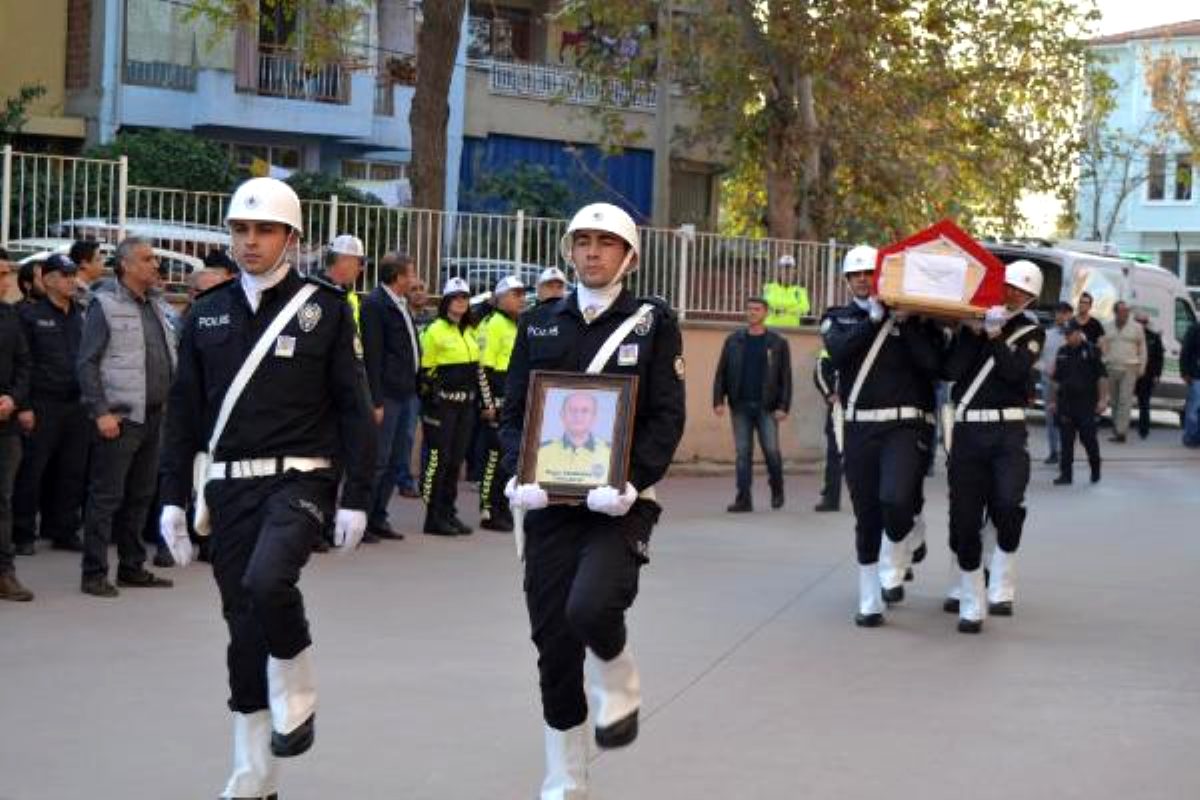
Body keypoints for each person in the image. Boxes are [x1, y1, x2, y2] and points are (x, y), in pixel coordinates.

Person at [158, 177, 374, 799]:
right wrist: (171, 497)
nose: (250, 241)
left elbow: (354, 409)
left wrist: (357, 497)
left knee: (268, 580)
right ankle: (254, 775)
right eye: (241, 230)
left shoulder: (324, 309)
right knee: (243, 628)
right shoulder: (206, 312)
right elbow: (183, 413)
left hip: (300, 478)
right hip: (228, 488)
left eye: (265, 231)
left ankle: (298, 683)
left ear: (291, 238)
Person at [501, 202, 685, 800]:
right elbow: (514, 414)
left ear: (629, 256)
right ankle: (566, 778)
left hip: (619, 506)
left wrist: (632, 481)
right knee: (553, 645)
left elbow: (667, 416)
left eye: (605, 243)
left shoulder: (652, 324)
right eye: (582, 241)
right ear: (569, 250)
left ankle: (617, 673)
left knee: (591, 608)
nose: (592, 252)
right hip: (548, 507)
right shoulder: (538, 323)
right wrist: (519, 473)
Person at [821, 245, 943, 627]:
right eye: (855, 274)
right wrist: (873, 320)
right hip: (860, 426)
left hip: (904, 426)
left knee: (895, 498)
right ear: (846, 280)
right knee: (867, 514)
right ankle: (869, 598)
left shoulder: (917, 320)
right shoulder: (837, 318)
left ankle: (903, 540)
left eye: (869, 273)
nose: (862, 279)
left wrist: (906, 322)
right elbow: (838, 352)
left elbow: (934, 366)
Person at [942, 260, 1045, 633]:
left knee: (1007, 505)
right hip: (968, 429)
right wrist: (970, 332)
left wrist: (996, 336)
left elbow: (1015, 372)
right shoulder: (974, 322)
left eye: (1022, 290)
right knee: (964, 518)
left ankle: (1001, 583)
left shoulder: (1032, 330)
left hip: (1008, 431)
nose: (1013, 293)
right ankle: (969, 595)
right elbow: (950, 371)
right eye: (1009, 286)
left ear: (1031, 297)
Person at [75, 237, 177, 597]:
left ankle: (132, 567)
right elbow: (87, 363)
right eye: (147, 259)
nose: (155, 265)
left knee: (141, 495)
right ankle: (94, 573)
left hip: (154, 416)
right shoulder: (104, 305)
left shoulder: (157, 305)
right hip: (120, 418)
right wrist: (101, 412)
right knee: (106, 497)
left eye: (155, 258)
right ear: (126, 265)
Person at [13, 254, 88, 555]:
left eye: (73, 275)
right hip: (43, 403)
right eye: (65, 276)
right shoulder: (30, 316)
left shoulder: (82, 314)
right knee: (33, 471)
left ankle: (64, 530)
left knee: (72, 471)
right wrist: (24, 406)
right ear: (48, 280)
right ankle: (23, 533)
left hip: (77, 405)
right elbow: (23, 363)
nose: (72, 281)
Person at [712, 296, 792, 512]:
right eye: (749, 309)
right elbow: (721, 372)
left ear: (765, 313)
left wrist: (783, 406)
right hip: (740, 406)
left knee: (772, 451)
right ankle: (743, 499)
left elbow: (785, 377)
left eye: (757, 309)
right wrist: (718, 400)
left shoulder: (778, 343)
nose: (752, 313)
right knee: (743, 454)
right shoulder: (733, 341)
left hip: (767, 407)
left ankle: (777, 488)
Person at [360, 252, 421, 539]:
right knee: (379, 460)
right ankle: (362, 518)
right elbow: (372, 355)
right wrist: (376, 400)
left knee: (397, 458)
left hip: (407, 392)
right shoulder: (375, 304)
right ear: (398, 277)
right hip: (387, 395)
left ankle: (379, 517)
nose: (415, 279)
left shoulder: (400, 302)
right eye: (411, 273)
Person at [418, 277, 480, 536]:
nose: (461, 302)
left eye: (465, 297)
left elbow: (477, 368)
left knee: (455, 461)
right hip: (442, 406)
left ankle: (448, 512)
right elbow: (425, 370)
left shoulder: (470, 330)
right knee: (439, 460)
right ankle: (433, 517)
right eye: (455, 297)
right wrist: (433, 398)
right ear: (446, 301)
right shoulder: (434, 330)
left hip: (465, 407)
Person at [477, 275, 526, 531]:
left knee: (507, 459)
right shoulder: (493, 323)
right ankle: (488, 511)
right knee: (493, 459)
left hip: (511, 403)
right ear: (500, 298)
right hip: (497, 402)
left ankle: (502, 507)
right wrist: (488, 404)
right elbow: (482, 368)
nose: (521, 299)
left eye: (522, 294)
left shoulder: (516, 325)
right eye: (515, 294)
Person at [0, 258, 34, 601]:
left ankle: (4, 573)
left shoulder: (10, 315)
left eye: (6, 274)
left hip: (5, 425)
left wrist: (14, 398)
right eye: (0, 275)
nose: (6, 282)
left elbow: (25, 363)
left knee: (3, 501)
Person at [1052, 320, 1108, 485]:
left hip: (1086, 404)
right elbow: (1056, 380)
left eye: (1069, 334)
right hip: (1066, 404)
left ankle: (1095, 468)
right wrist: (1053, 401)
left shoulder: (1092, 350)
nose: (1067, 337)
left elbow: (1102, 377)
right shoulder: (1062, 352)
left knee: (1088, 439)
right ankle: (1066, 475)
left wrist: (1102, 400)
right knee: (1066, 442)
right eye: (1065, 334)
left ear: (1078, 333)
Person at [535, 390, 614, 485]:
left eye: (585, 411)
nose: (578, 416)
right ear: (562, 415)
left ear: (594, 417)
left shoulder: (611, 453)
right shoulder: (540, 451)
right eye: (572, 410)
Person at [1102, 301, 1146, 443]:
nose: (1125, 314)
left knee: (1124, 401)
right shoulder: (1107, 327)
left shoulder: (1137, 328)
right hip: (1111, 368)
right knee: (1114, 401)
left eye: (1126, 311)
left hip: (1130, 368)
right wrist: (1103, 362)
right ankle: (1116, 429)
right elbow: (1103, 346)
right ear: (1115, 312)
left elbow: (1143, 349)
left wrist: (1142, 367)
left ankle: (1121, 432)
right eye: (1122, 311)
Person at [1039, 302, 1073, 464]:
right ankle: (1054, 451)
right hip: (1049, 381)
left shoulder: (1076, 335)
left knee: (1067, 418)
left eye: (1064, 312)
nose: (1061, 315)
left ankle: (1065, 451)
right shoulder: (1046, 335)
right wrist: (1046, 369)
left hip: (1069, 383)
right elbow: (1036, 359)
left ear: (1070, 315)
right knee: (1051, 418)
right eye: (1058, 312)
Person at [813, 347, 842, 512]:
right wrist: (829, 393)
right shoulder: (833, 341)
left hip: (862, 407)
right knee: (834, 453)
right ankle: (831, 497)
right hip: (839, 408)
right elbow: (819, 372)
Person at [321, 234, 366, 330]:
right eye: (360, 262)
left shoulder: (347, 294)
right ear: (343, 260)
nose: (362, 268)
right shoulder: (316, 292)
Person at [1134, 311, 1164, 439]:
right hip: (1130, 373)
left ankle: (1144, 430)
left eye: (1144, 322)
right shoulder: (1129, 336)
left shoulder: (1153, 337)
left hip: (1147, 375)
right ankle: (1120, 428)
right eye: (1139, 321)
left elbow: (1159, 358)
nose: (1141, 324)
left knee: (1144, 403)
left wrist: (1157, 374)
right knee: (1123, 401)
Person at [763, 254, 811, 327]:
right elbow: (765, 305)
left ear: (794, 271)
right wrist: (792, 308)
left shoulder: (800, 290)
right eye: (784, 269)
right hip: (771, 327)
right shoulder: (769, 287)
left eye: (790, 269)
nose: (787, 272)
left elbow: (805, 308)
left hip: (792, 328)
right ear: (779, 271)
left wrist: (781, 310)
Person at [70, 239, 106, 305]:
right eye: (98, 259)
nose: (102, 263)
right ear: (84, 264)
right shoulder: (77, 292)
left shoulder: (82, 288)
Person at [1182, 319, 1200, 447]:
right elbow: (1185, 351)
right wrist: (1185, 372)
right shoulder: (1195, 329)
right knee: (1194, 407)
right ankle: (1190, 436)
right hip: (1196, 375)